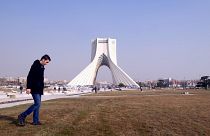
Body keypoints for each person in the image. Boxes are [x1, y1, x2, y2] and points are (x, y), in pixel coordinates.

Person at [18, 54, 51, 126]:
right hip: (34, 88)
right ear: (43, 60)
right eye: (47, 62)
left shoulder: (42, 66)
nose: (47, 64)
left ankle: (35, 121)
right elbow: (30, 76)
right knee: (37, 103)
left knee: (38, 105)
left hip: (39, 88)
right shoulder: (35, 65)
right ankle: (22, 116)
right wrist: (28, 87)